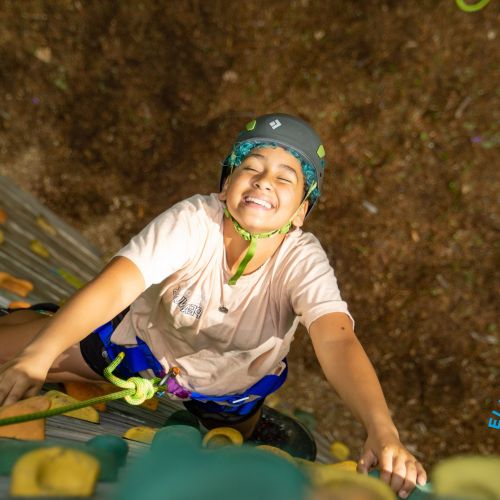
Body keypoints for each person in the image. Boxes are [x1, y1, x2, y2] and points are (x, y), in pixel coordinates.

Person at [0, 113, 426, 498]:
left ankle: (258, 422)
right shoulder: (193, 222)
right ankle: (44, 325)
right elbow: (116, 286)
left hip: (229, 389)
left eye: (284, 178)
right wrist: (38, 354)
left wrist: (382, 430)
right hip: (139, 347)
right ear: (226, 186)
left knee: (232, 442)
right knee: (17, 355)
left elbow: (336, 340)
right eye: (251, 168)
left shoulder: (301, 259)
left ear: (301, 211)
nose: (263, 182)